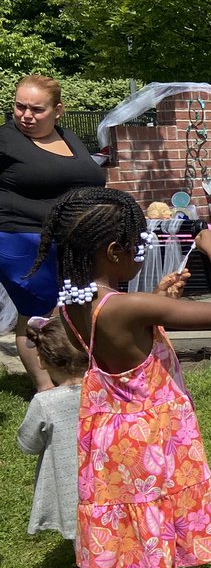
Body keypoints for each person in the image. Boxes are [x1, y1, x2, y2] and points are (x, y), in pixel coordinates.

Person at [32, 187, 211, 568]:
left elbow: (126, 342)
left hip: (117, 441)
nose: (142, 253)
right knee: (135, 560)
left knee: (147, 545)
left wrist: (160, 299)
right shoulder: (125, 305)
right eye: (135, 245)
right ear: (110, 250)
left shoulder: (79, 301)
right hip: (139, 450)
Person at [1, 74, 106, 390]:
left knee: (66, 309)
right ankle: (47, 390)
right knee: (39, 312)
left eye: (37, 109)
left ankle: (72, 379)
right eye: (20, 107)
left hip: (68, 241)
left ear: (58, 110)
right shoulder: (6, 140)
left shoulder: (69, 137)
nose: (26, 115)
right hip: (20, 238)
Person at [17, 314, 90, 568]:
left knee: (82, 539)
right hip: (108, 476)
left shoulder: (45, 402)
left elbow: (28, 443)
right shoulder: (105, 389)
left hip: (70, 483)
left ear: (44, 362)